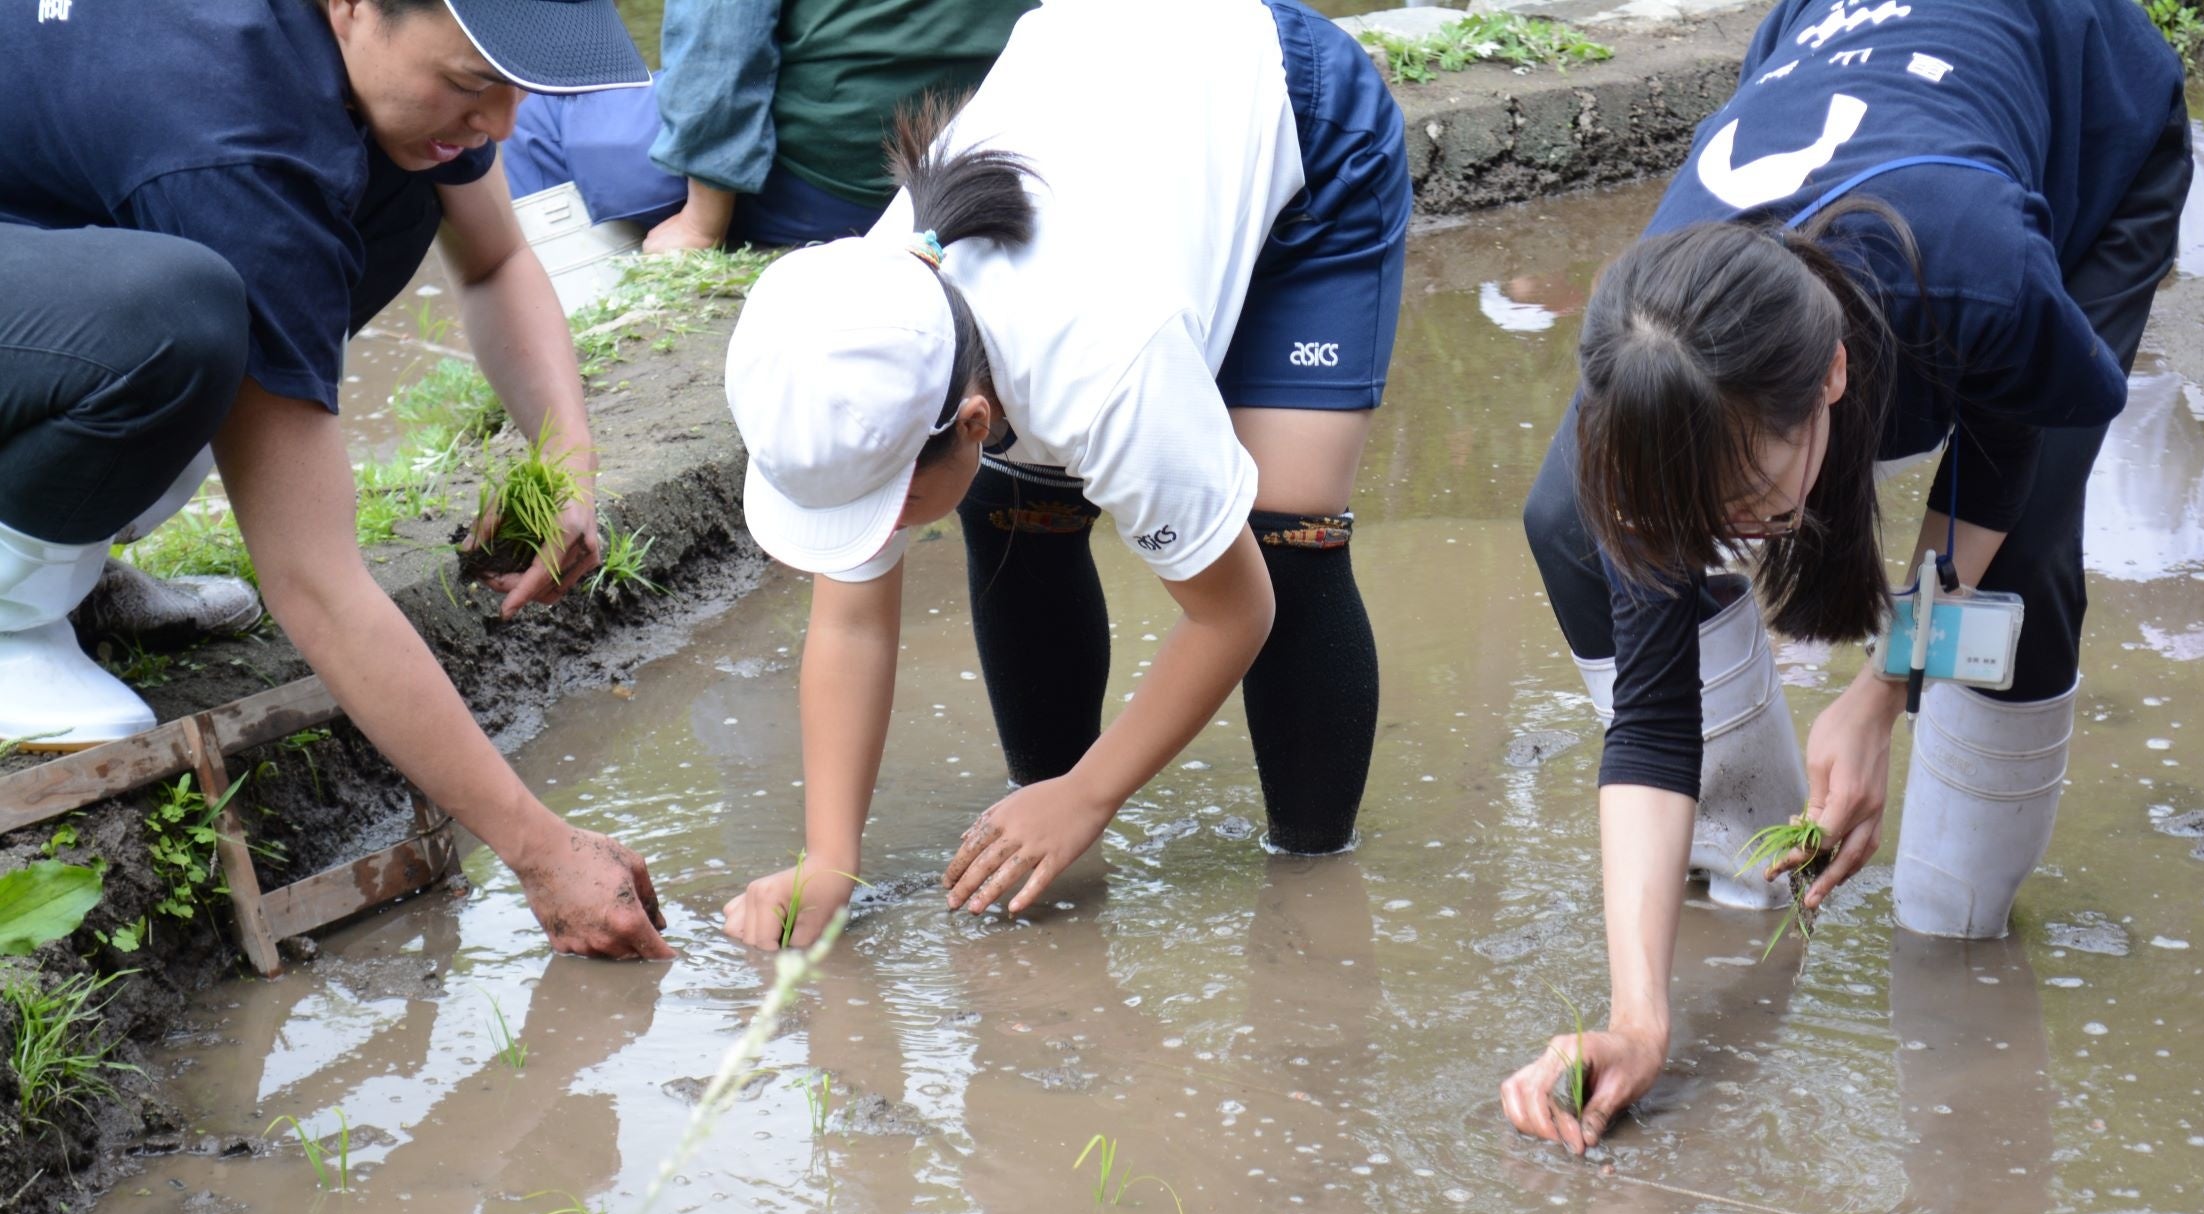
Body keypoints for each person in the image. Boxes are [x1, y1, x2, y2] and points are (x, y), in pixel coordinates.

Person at [1502, 0, 2192, 1150]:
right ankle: (1747, 861)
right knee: (1568, 517)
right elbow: (1650, 724)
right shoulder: (1651, 356)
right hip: (1834, 45)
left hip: (2087, 118)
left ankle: (1962, 927)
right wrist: (1636, 1017)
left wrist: (1881, 694)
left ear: (1830, 376)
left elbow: (1999, 459)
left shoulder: (1977, 280)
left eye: (1749, 499)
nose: (1734, 529)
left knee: (2016, 553)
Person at [716, 0, 1407, 949]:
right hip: (1114, 133)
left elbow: (1232, 611)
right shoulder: (861, 332)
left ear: (970, 419)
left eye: (887, 506)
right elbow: (851, 617)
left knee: (1286, 536)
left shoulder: (1108, 363)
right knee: (1012, 510)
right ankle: (1034, 824)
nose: (874, 537)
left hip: (1287, 109)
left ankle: (1316, 890)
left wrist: (1092, 795)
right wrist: (827, 855)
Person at [0, 0, 672, 959]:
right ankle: (9, 624)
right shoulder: (233, 132)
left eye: (516, 91)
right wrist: (539, 849)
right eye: (478, 85)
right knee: (175, 319)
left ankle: (66, 556)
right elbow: (313, 580)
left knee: (389, 193)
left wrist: (566, 468)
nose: (503, 127)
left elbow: (494, 262)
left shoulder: (384, 83)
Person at [501, 0, 1034, 256]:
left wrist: (702, 222)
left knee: (529, 114)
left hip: (840, 178)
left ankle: (578, 334)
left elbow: (721, 37)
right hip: (984, 160)